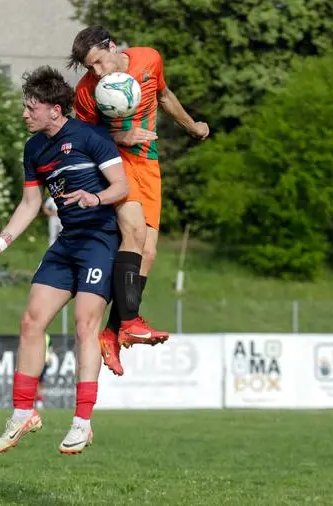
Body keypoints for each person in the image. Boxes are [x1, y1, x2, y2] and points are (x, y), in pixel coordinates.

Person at [0, 66, 129, 455]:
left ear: (56, 110)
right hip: (67, 243)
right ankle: (24, 413)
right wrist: (0, 243)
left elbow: (121, 186)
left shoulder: (90, 137)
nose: (25, 114)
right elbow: (29, 204)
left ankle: (82, 423)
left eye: (32, 107)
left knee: (84, 326)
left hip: (100, 240)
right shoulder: (34, 149)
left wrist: (95, 199)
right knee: (31, 321)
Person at [68, 26, 210, 376]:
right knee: (133, 232)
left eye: (99, 62)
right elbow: (84, 138)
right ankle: (129, 320)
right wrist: (121, 134)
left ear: (112, 47)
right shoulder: (86, 92)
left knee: (148, 252)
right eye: (90, 68)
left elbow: (163, 96)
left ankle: (113, 334)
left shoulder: (149, 59)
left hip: (149, 163)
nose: (97, 73)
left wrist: (191, 126)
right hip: (114, 165)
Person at [36, 333, 53, 409]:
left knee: (36, 382)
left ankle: (37, 401)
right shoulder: (47, 336)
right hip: (45, 361)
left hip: (37, 360)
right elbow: (50, 349)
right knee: (40, 382)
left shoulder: (35, 334)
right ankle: (39, 402)